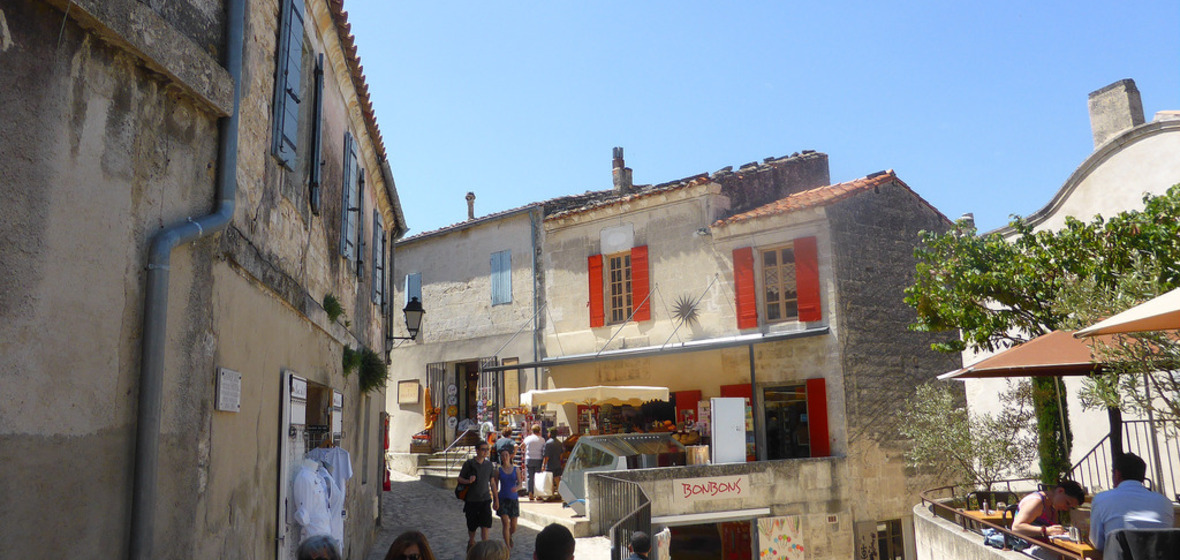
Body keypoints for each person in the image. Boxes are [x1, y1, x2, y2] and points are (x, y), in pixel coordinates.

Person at [1089, 452, 1176, 551]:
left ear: (1117, 474)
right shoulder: (1165, 503)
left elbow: (1098, 544)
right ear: (1142, 476)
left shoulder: (1101, 500)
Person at [1011, 479, 1086, 541]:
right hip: (1026, 547)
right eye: (1067, 503)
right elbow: (1016, 527)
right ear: (1060, 491)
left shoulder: (1053, 507)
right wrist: (1045, 531)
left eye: (1070, 507)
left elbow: (1052, 530)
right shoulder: (1036, 502)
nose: (1066, 508)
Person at [458, 441, 497, 551]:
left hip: (485, 499)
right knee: (472, 525)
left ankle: (484, 549)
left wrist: (496, 499)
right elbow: (459, 479)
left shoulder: (489, 465)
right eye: (483, 449)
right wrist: (467, 481)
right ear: (477, 450)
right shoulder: (469, 464)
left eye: (487, 449)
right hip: (472, 500)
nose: (486, 452)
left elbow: (492, 482)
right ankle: (471, 541)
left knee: (485, 525)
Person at [492, 448, 522, 548]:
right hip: (502, 499)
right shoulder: (498, 471)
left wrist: (517, 488)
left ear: (510, 456)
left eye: (506, 455)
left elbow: (520, 484)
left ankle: (510, 535)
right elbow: (495, 486)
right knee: (505, 523)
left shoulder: (516, 469)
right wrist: (495, 500)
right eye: (502, 456)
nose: (504, 457)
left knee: (513, 527)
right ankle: (507, 547)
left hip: (513, 499)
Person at [522, 424, 546, 500]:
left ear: (532, 431)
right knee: (538, 477)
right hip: (539, 459)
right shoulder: (542, 439)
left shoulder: (528, 438)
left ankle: (530, 493)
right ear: (539, 431)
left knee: (530, 476)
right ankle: (538, 494)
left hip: (529, 459)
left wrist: (526, 450)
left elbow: (522, 446)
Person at [541, 427, 564, 501]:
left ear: (550, 434)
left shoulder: (548, 443)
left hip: (550, 465)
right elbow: (561, 456)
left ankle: (552, 494)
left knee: (550, 480)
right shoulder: (559, 443)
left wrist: (543, 465)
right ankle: (560, 494)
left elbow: (546, 456)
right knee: (557, 479)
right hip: (557, 464)